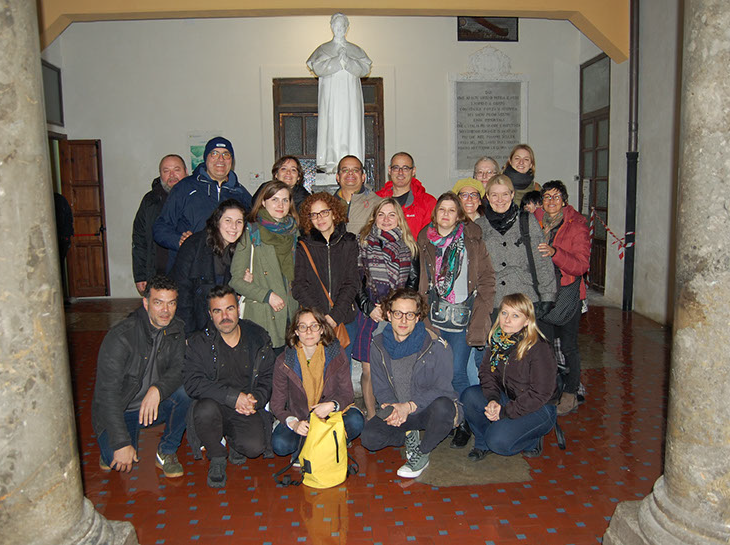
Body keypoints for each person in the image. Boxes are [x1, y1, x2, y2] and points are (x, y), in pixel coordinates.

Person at [92, 275, 190, 478]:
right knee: (116, 460)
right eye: (158, 303)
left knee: (187, 391)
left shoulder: (176, 329)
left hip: (152, 407)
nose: (165, 311)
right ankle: (110, 445)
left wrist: (157, 389)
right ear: (146, 303)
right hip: (122, 409)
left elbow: (180, 368)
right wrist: (120, 442)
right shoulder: (121, 337)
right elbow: (107, 395)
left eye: (171, 303)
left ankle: (166, 451)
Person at [418, 192, 496, 448]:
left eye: (452, 210)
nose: (446, 214)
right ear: (435, 213)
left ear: (459, 215)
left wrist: (481, 315)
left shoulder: (472, 240)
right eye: (442, 209)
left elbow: (487, 279)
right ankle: (448, 418)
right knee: (438, 374)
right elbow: (421, 283)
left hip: (463, 319)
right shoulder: (425, 240)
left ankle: (468, 425)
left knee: (458, 373)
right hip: (435, 318)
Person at [360, 288, 462, 478]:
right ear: (388, 314)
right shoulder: (378, 345)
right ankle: (409, 433)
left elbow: (443, 389)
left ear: (418, 317)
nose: (403, 320)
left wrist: (409, 406)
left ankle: (422, 452)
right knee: (369, 438)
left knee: (445, 408)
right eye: (398, 313)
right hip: (400, 408)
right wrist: (394, 409)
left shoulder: (436, 345)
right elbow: (381, 387)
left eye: (410, 315)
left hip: (425, 408)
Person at [183, 285, 275, 488]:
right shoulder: (199, 342)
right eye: (217, 311)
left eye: (229, 309)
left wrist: (256, 399)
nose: (225, 316)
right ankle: (216, 456)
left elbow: (268, 377)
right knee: (204, 410)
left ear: (238, 309)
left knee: (254, 447)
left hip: (245, 406)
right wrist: (233, 398)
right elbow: (192, 382)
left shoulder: (258, 337)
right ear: (210, 314)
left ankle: (234, 442)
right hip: (213, 405)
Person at [460, 293, 559, 461]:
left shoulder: (539, 348)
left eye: (515, 315)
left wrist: (505, 412)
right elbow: (486, 372)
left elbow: (540, 394)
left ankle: (532, 439)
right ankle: (483, 443)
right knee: (469, 396)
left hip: (539, 407)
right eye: (504, 313)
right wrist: (493, 399)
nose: (507, 320)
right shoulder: (498, 339)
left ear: (527, 321)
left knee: (498, 441)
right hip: (510, 397)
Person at [354, 198, 419, 418]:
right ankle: (372, 416)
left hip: (398, 313)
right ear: (374, 217)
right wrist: (368, 307)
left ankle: (396, 415)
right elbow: (355, 281)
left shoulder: (409, 246)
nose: (386, 219)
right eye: (381, 214)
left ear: (399, 218)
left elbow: (412, 286)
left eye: (392, 215)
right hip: (370, 311)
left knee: (396, 369)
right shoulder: (363, 243)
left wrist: (394, 311)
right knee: (369, 369)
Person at [270, 308, 364, 457]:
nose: (309, 332)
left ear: (322, 329)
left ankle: (312, 447)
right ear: (296, 331)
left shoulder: (336, 353)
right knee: (280, 445)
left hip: (329, 415)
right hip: (301, 418)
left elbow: (347, 394)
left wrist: (332, 405)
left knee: (356, 421)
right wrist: (294, 423)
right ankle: (325, 444)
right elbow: (276, 404)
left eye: (314, 326)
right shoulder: (285, 361)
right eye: (303, 327)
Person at [534, 180, 591, 416]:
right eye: (547, 197)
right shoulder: (535, 220)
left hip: (567, 294)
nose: (551, 201)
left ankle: (570, 393)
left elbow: (581, 265)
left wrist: (555, 253)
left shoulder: (576, 225)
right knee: (544, 346)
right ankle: (549, 390)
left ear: (564, 200)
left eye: (556, 197)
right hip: (542, 293)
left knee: (568, 347)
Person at [153, 137, 252, 267]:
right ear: (206, 158)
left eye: (226, 154)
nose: (220, 159)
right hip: (190, 267)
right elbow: (160, 228)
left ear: (231, 160)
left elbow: (254, 227)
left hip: (228, 269)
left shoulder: (240, 193)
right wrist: (179, 240)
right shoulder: (184, 188)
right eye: (214, 153)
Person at [229, 181, 299, 352]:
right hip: (265, 315)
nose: (280, 205)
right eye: (274, 199)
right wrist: (267, 295)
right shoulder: (251, 232)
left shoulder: (294, 232)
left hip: (291, 314)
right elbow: (236, 281)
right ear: (263, 202)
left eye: (285, 200)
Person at [475, 175, 556, 322]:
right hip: (493, 300)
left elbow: (541, 260)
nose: (500, 200)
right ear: (487, 196)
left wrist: (548, 296)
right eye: (494, 195)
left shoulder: (526, 221)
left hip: (524, 297)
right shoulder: (480, 225)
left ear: (512, 195)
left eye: (505, 194)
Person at [293, 192, 359, 360]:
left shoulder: (349, 242)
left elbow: (352, 282)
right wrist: (321, 318)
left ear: (334, 213)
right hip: (315, 324)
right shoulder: (304, 245)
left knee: (342, 369)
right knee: (317, 370)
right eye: (314, 214)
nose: (319, 218)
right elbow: (299, 286)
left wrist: (335, 316)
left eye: (324, 212)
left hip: (344, 319)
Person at [306, 13, 372, 173]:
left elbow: (364, 69)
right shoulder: (323, 49)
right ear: (331, 27)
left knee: (351, 125)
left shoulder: (355, 50)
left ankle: (353, 163)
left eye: (342, 26)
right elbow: (317, 67)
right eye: (336, 25)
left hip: (350, 98)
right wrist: (337, 60)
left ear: (347, 27)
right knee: (332, 125)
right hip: (331, 99)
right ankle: (332, 160)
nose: (339, 29)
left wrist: (347, 61)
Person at [169, 199, 245, 337]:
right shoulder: (194, 246)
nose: (234, 227)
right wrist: (189, 334)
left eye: (239, 222)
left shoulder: (240, 250)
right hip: (193, 320)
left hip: (221, 321)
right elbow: (182, 293)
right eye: (228, 220)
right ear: (217, 222)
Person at [132, 154, 188, 295]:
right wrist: (140, 275)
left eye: (177, 170)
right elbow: (139, 240)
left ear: (186, 172)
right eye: (166, 171)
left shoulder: (196, 198)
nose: (172, 175)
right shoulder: (150, 201)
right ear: (160, 175)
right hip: (157, 275)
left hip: (188, 275)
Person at [377, 152, 436, 238]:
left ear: (413, 171)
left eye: (405, 168)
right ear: (389, 170)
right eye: (396, 168)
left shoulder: (428, 203)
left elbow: (430, 239)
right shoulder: (377, 199)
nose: (400, 172)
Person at [335, 154, 382, 235]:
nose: (350, 173)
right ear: (338, 177)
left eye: (355, 170)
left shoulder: (378, 204)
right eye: (345, 170)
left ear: (363, 177)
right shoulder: (327, 205)